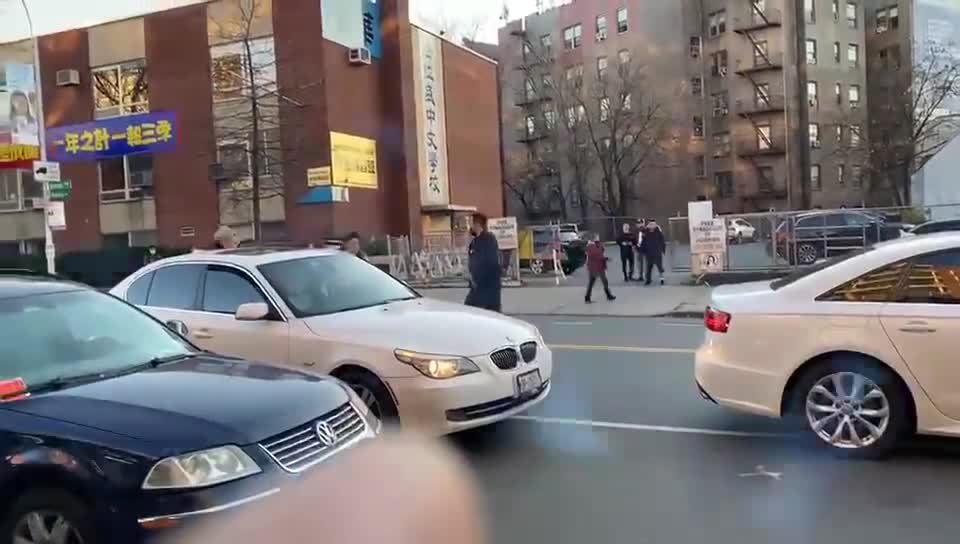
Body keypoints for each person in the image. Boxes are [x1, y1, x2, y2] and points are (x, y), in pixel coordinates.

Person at [465, 213, 502, 312]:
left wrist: (478, 278)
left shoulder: (488, 239)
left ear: (477, 225)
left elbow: (489, 261)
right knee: (470, 309)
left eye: (471, 224)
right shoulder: (475, 241)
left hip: (487, 285)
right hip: (478, 286)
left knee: (491, 313)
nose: (470, 227)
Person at [584, 235, 615, 303]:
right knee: (603, 281)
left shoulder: (595, 245)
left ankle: (587, 297)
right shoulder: (591, 247)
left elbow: (601, 251)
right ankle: (608, 295)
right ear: (594, 239)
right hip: (597, 267)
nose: (598, 238)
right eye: (597, 237)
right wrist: (606, 259)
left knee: (593, 282)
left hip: (594, 267)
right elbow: (598, 255)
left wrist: (600, 247)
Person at [641, 220, 666, 286]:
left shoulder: (658, 232)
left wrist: (663, 249)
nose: (651, 226)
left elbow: (662, 241)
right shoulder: (646, 233)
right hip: (649, 253)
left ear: (655, 225)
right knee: (648, 267)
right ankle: (648, 280)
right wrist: (643, 250)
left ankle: (662, 279)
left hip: (657, 252)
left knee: (659, 266)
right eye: (650, 224)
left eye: (653, 224)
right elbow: (643, 242)